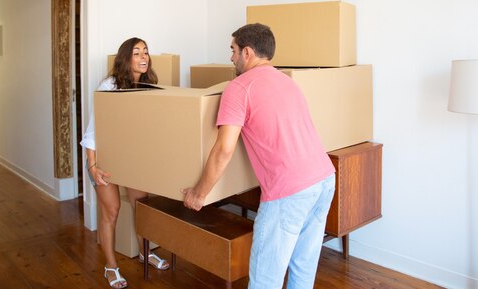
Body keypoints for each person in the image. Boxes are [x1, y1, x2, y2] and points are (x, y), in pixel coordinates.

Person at [182, 23, 336, 289]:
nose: (230, 57)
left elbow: (224, 149)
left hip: (289, 192)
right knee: (303, 265)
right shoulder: (287, 81)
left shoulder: (239, 88)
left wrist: (199, 194)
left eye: (233, 50)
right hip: (323, 179)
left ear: (247, 52)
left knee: (265, 279)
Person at [81, 37, 169, 289]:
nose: (143, 57)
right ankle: (111, 267)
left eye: (146, 52)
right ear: (125, 58)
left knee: (141, 206)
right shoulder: (109, 85)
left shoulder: (149, 86)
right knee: (112, 211)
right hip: (103, 158)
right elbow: (92, 131)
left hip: (132, 158)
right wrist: (92, 166)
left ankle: (145, 252)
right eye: (136, 52)